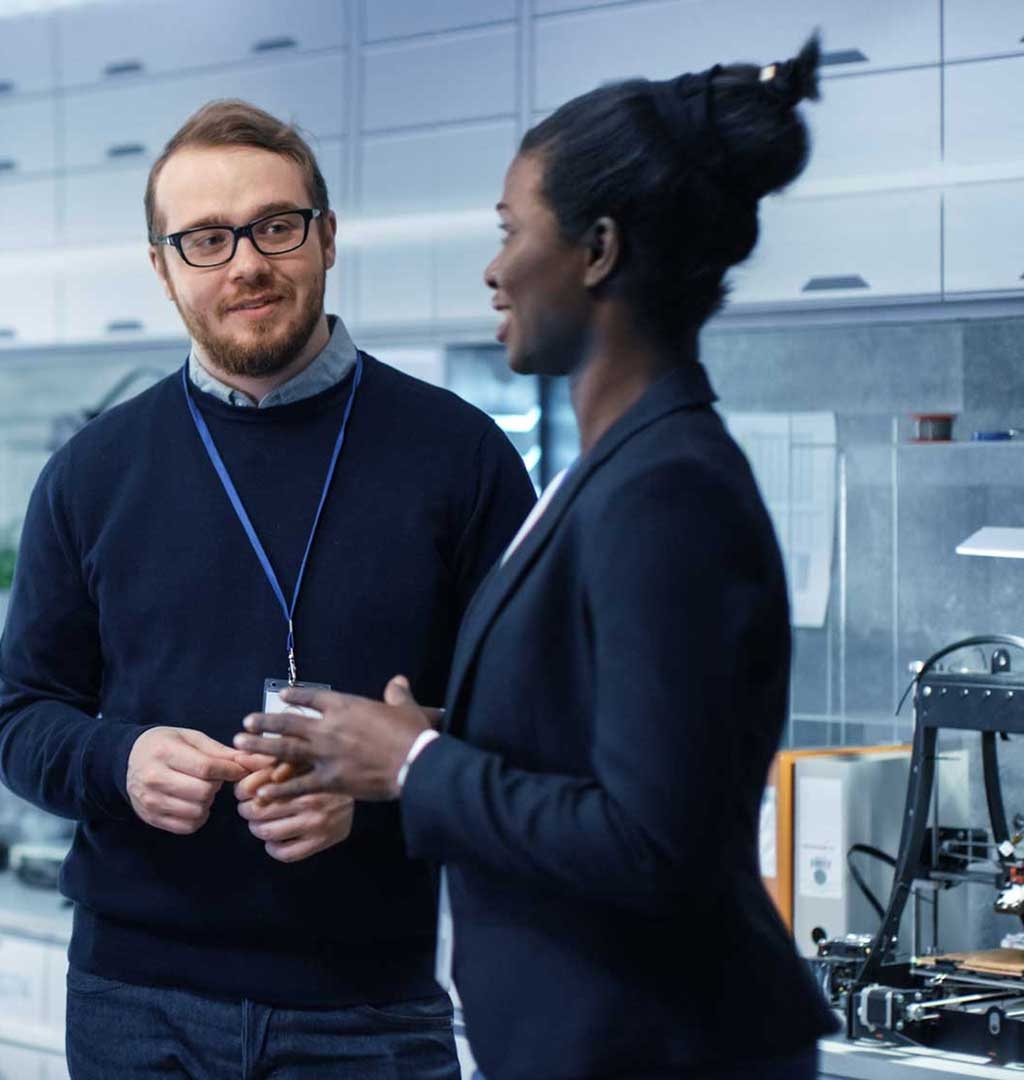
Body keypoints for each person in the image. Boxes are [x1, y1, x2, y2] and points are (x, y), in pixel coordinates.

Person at [237, 39, 840, 1080]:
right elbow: (599, 755)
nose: (493, 266)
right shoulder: (612, 471)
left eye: (514, 231)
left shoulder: (668, 490)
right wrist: (434, 735)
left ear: (598, 250)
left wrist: (415, 765)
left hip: (663, 1049)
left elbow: (654, 843)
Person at [0, 100, 535, 1077]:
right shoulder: (90, 474)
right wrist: (121, 759)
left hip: (369, 1009)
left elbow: (538, 735)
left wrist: (386, 786)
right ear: (162, 268)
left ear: (327, 238)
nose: (244, 263)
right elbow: (22, 720)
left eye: (275, 227)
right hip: (132, 1003)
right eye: (204, 239)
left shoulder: (463, 458)